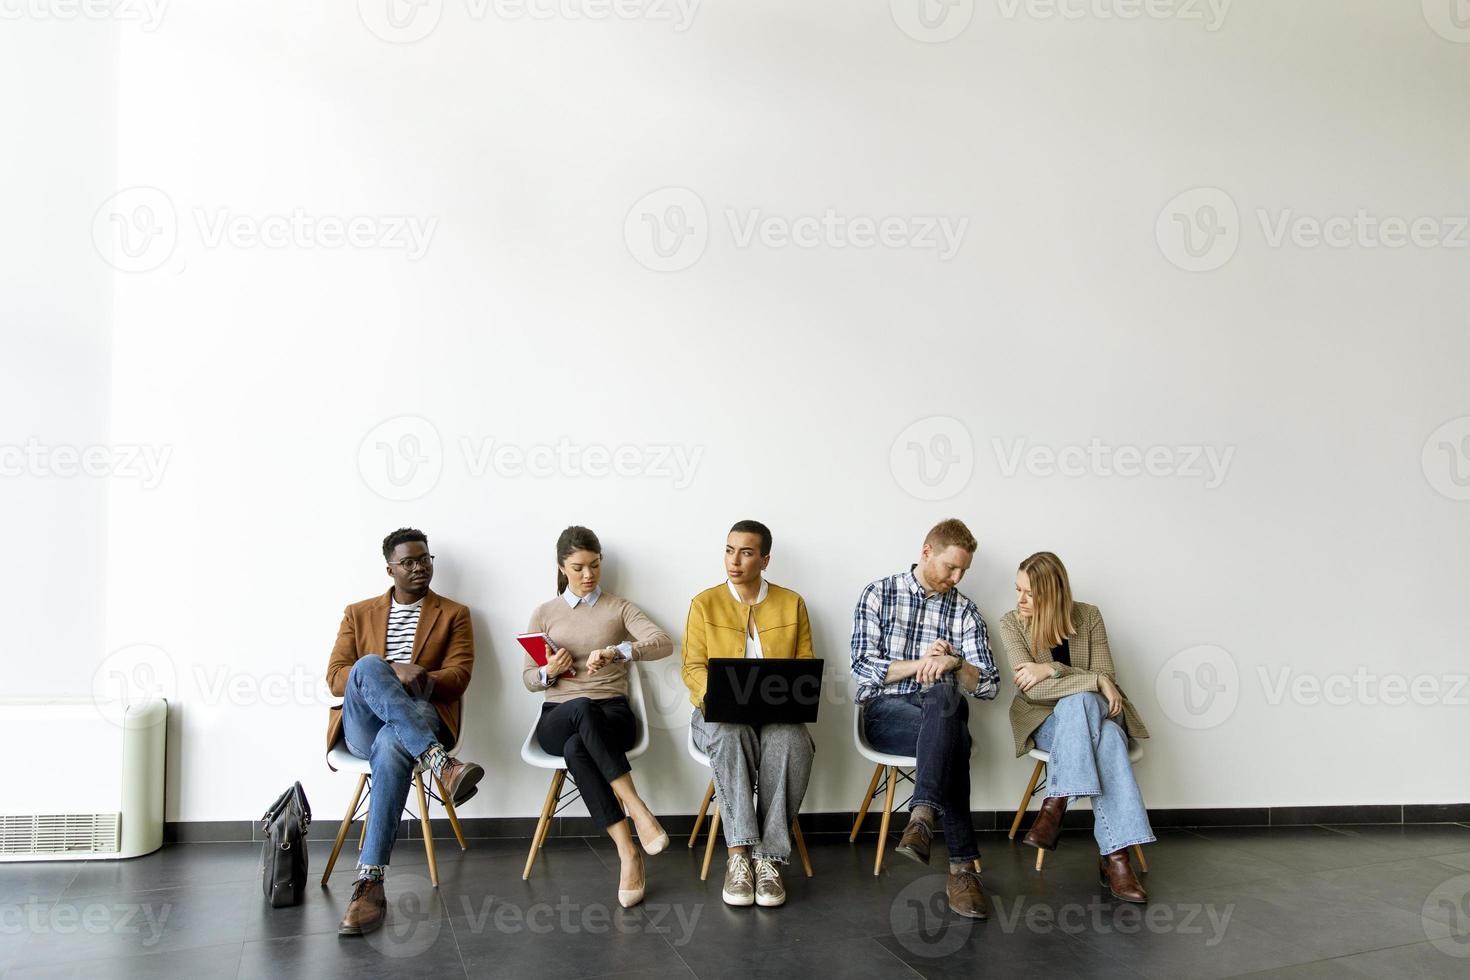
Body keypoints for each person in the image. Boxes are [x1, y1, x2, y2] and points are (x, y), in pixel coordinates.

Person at [325, 527, 483, 936]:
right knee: (366, 666)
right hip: (363, 722)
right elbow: (337, 676)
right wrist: (392, 669)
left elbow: (459, 676)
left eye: (425, 559)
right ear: (390, 568)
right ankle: (439, 763)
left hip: (421, 713)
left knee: (393, 742)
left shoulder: (454, 614)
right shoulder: (358, 612)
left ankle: (369, 883)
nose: (419, 568)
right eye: (408, 562)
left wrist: (421, 678)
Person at [850, 518, 999, 920]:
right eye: (951, 567)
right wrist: (924, 664)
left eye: (964, 570)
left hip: (941, 711)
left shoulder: (966, 611)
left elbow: (988, 685)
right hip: (887, 714)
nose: (957, 576)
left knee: (945, 692)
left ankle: (920, 818)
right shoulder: (879, 594)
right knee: (954, 740)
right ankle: (962, 869)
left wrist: (954, 662)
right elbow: (863, 666)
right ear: (927, 551)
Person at [524, 525, 673, 908]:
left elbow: (662, 644)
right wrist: (549, 672)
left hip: (613, 715)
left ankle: (628, 853)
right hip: (558, 714)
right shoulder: (544, 613)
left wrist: (618, 652)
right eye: (578, 568)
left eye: (594, 565)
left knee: (578, 746)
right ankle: (638, 811)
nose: (588, 575)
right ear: (561, 567)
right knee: (579, 711)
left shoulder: (619, 607)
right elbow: (528, 680)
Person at [997, 551, 1154, 903]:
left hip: (1095, 716)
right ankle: (1116, 859)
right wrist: (1090, 680)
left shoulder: (1089, 617)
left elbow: (1107, 678)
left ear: (1052, 594)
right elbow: (1032, 688)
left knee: (1086, 708)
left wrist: (1053, 670)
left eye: (1029, 593)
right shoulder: (1012, 623)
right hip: (1045, 721)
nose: (1019, 599)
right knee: (1097, 722)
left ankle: (1055, 804)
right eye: (1017, 589)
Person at [682, 520, 817, 909]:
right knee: (729, 733)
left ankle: (768, 858)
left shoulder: (792, 602)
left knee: (793, 740)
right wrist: (717, 696)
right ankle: (739, 856)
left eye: (745, 552)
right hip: (718, 715)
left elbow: (804, 666)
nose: (734, 560)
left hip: (777, 714)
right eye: (729, 550)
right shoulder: (703, 603)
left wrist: (792, 696)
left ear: (765, 559)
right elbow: (692, 667)